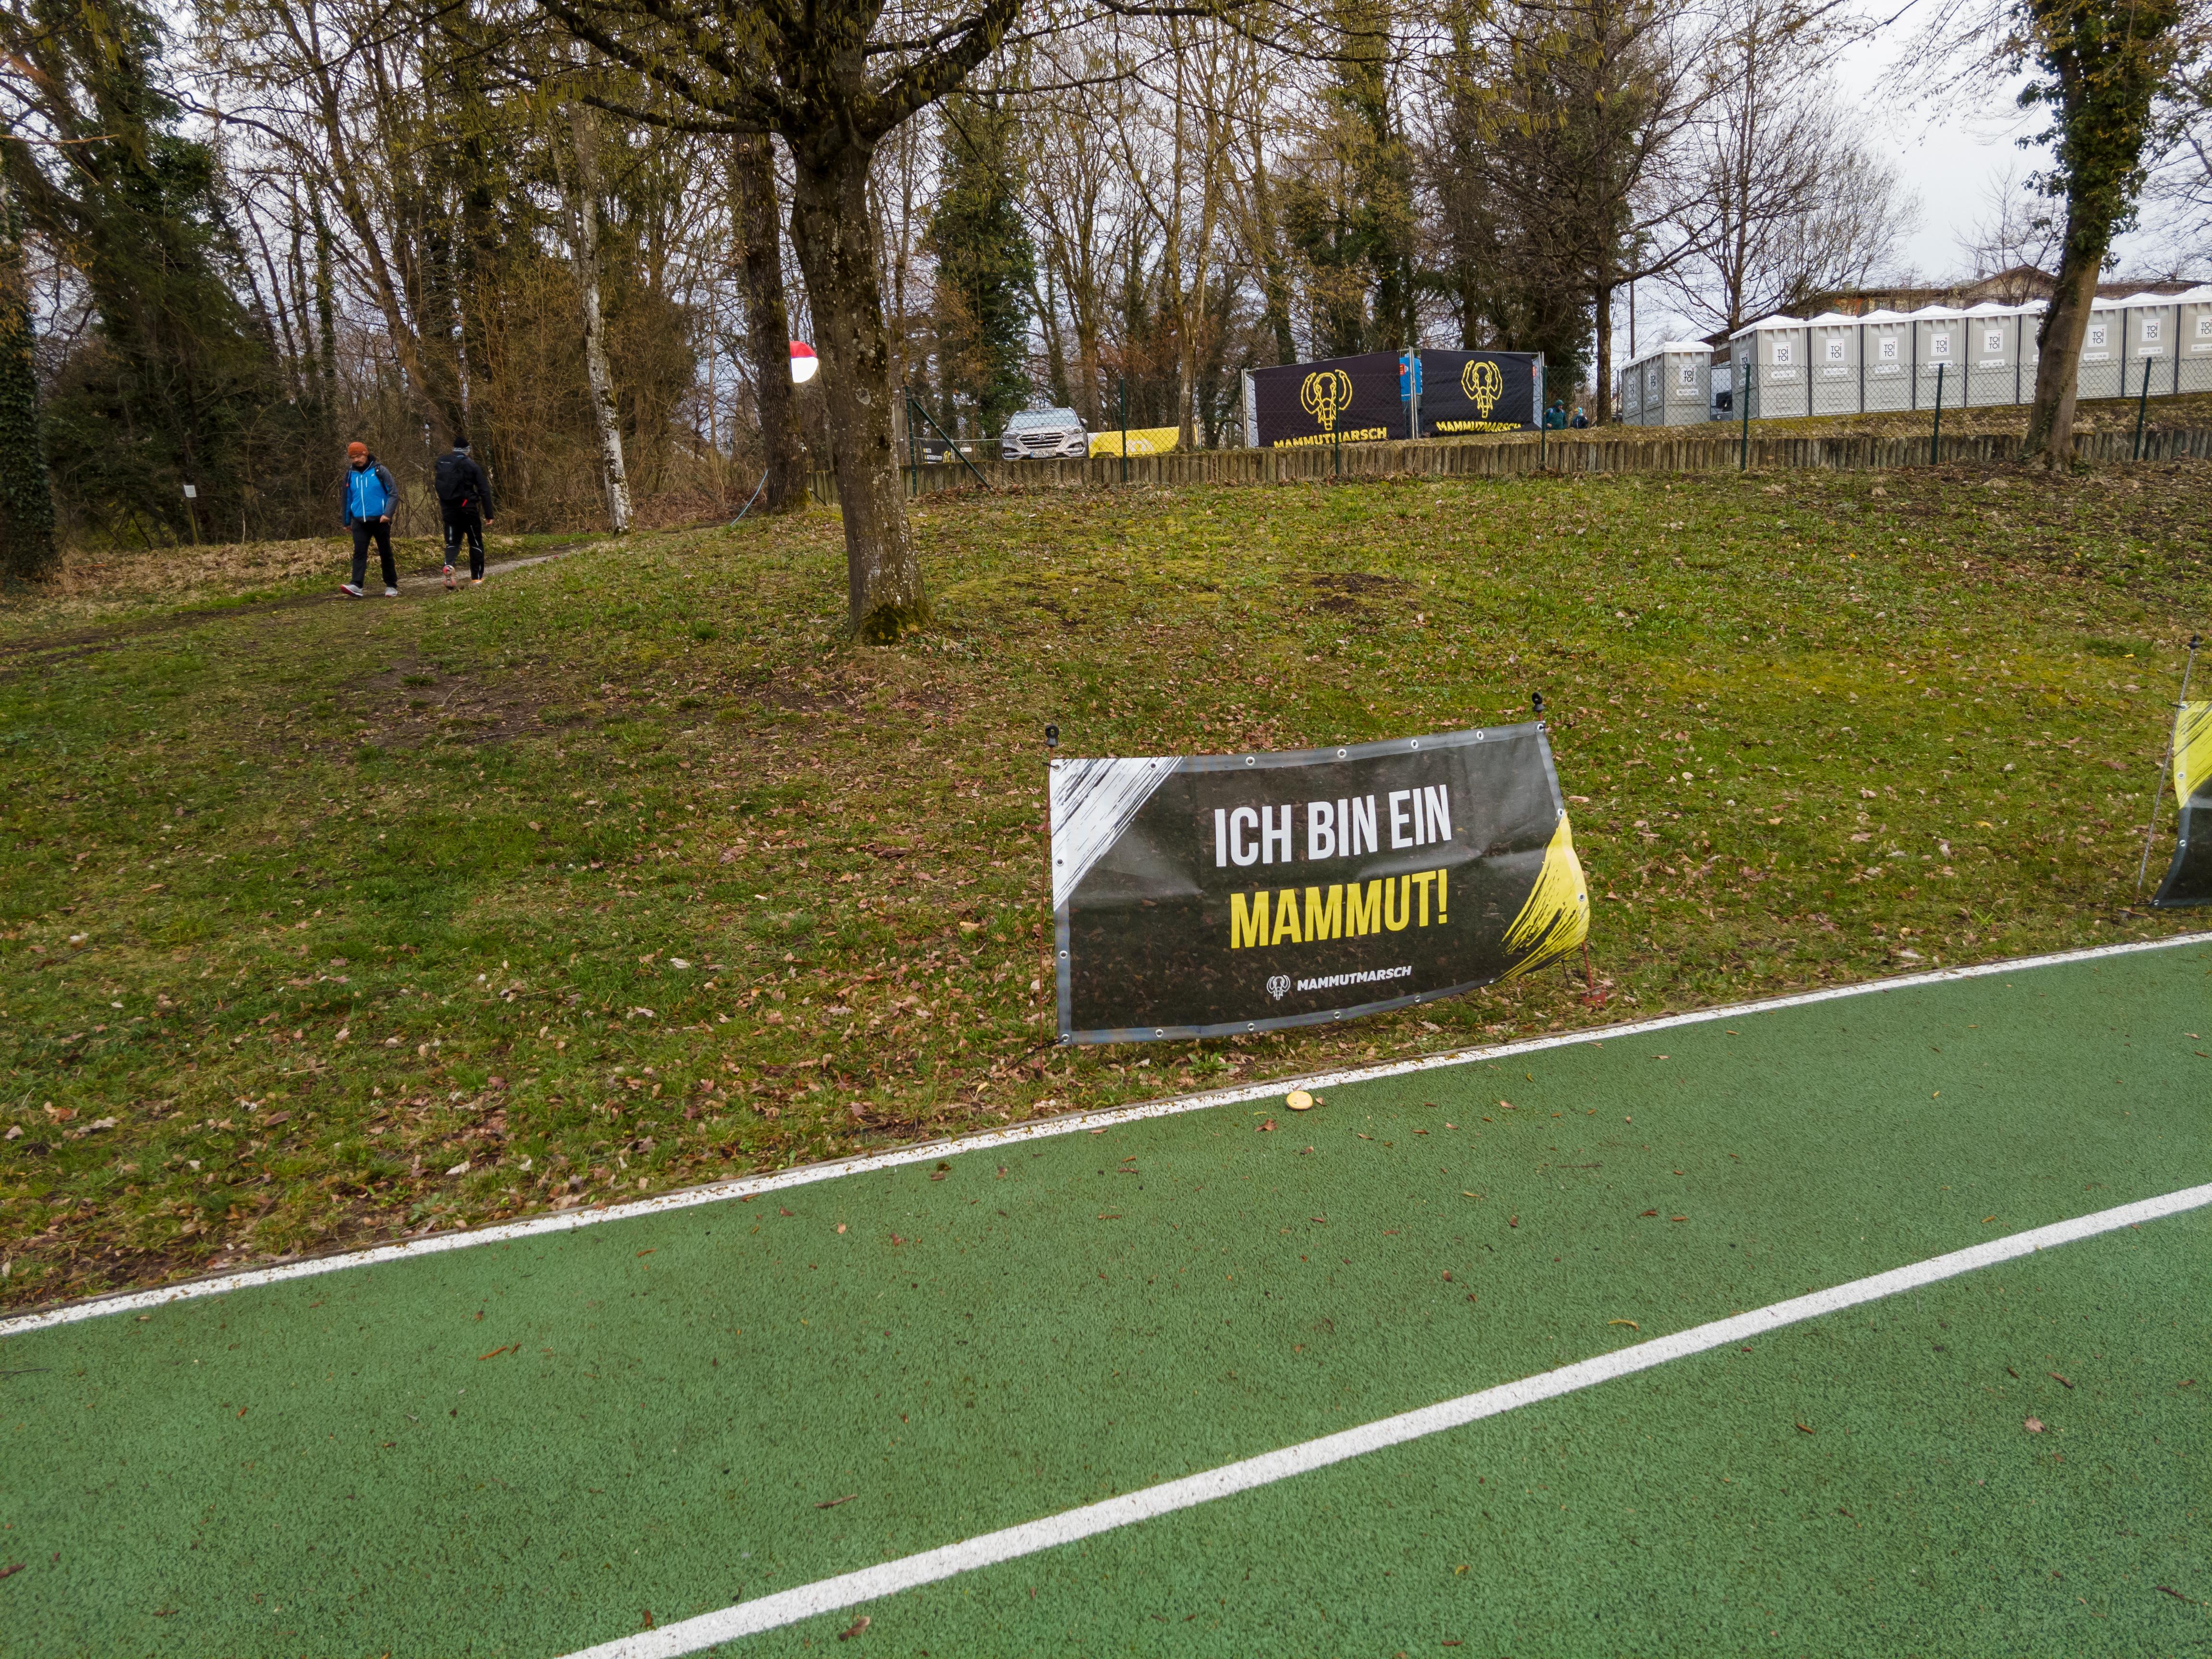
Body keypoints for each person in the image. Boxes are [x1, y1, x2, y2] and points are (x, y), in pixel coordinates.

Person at [433, 436, 496, 588]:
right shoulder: (471, 465)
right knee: (475, 542)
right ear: (467, 450)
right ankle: (477, 578)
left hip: (449, 510)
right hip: (468, 510)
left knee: (452, 543)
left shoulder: (443, 463)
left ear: (454, 449)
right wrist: (489, 514)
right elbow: (484, 491)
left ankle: (449, 566)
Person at [340, 441, 398, 598]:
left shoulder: (380, 471)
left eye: (358, 456)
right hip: (359, 521)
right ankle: (356, 585)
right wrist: (347, 521)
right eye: (353, 457)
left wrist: (388, 514)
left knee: (385, 552)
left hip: (381, 520)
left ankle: (391, 585)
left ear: (365, 454)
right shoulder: (350, 475)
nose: (356, 460)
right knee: (359, 553)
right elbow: (347, 498)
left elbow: (393, 493)